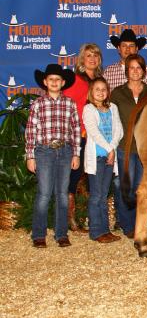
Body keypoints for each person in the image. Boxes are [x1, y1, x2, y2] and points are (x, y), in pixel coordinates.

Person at [26, 64, 81, 248]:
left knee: (62, 194)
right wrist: (30, 156)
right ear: (45, 82)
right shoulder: (38, 104)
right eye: (51, 79)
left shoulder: (70, 103)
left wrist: (76, 154)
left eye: (58, 79)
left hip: (65, 151)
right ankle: (39, 234)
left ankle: (61, 233)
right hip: (44, 151)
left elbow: (75, 130)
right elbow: (31, 131)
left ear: (63, 82)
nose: (55, 82)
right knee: (44, 193)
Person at [110, 54, 147, 238]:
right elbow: (111, 120)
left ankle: (140, 225)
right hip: (124, 147)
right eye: (132, 68)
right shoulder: (117, 93)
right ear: (126, 71)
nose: (135, 71)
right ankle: (128, 226)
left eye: (139, 68)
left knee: (141, 187)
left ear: (144, 71)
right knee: (125, 186)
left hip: (146, 148)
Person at [64, 43, 104, 232]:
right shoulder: (74, 80)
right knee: (73, 177)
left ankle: (91, 218)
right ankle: (69, 220)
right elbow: (66, 106)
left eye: (95, 56)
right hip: (79, 135)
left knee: (91, 179)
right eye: (89, 55)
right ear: (82, 59)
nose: (92, 59)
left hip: (96, 136)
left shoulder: (100, 81)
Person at [83, 77, 123, 243]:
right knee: (96, 195)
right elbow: (93, 131)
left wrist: (112, 149)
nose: (100, 92)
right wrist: (108, 149)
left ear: (108, 92)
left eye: (103, 89)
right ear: (91, 92)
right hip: (97, 157)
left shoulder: (113, 107)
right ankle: (96, 232)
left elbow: (119, 130)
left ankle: (105, 230)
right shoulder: (89, 109)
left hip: (109, 157)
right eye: (97, 89)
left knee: (104, 194)